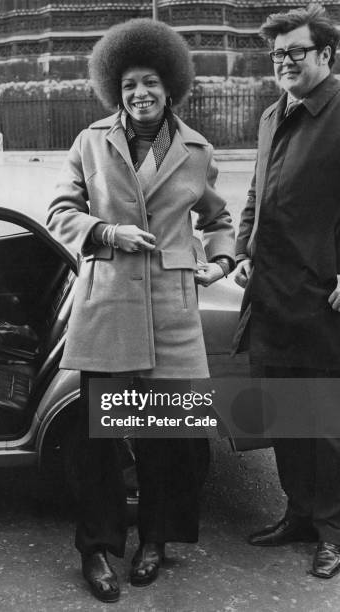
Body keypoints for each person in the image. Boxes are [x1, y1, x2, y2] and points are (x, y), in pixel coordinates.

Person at [47, 18, 235, 603]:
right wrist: (107, 232)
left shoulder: (197, 151)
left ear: (170, 85)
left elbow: (220, 221)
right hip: (108, 306)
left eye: (150, 82)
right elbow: (59, 213)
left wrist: (221, 264)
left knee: (165, 438)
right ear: (114, 89)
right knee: (102, 438)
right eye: (128, 85)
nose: (140, 94)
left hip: (173, 310)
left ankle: (154, 541)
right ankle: (98, 551)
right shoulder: (89, 141)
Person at [234, 4, 340, 579]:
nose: (284, 62)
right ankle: (299, 513)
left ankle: (332, 530)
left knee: (325, 424)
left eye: (295, 51)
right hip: (271, 293)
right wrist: (246, 249)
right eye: (277, 53)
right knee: (284, 417)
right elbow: (257, 190)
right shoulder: (273, 114)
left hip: (323, 296)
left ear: (326, 53)